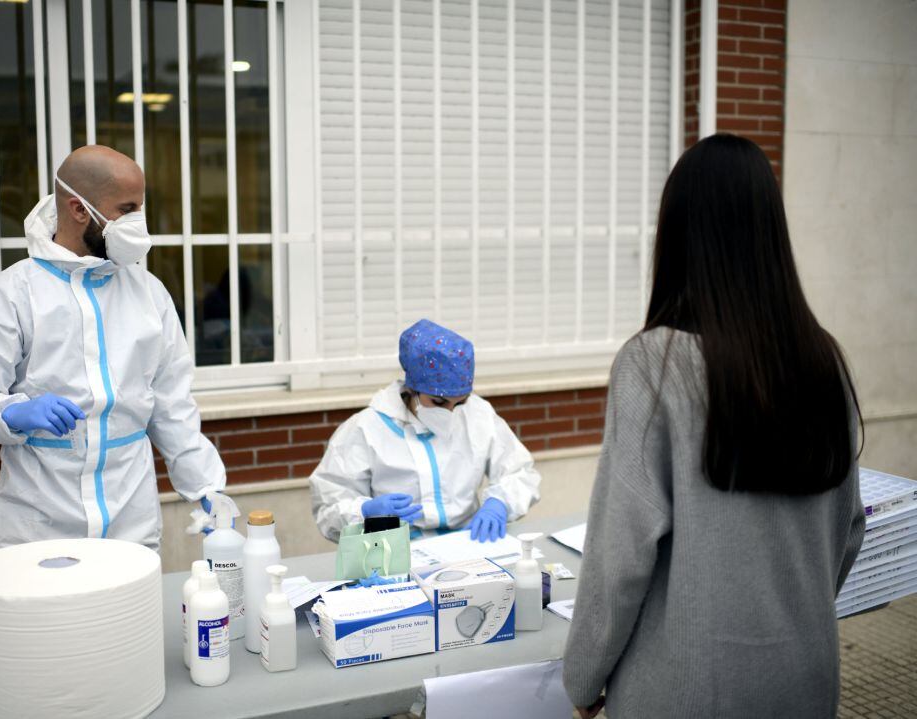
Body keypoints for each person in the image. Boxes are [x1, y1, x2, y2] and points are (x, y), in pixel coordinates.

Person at [562, 134, 866, 718]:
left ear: (678, 236)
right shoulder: (822, 359)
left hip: (684, 690)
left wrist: (581, 680)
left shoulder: (654, 364)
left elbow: (618, 559)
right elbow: (848, 528)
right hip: (804, 681)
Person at [0, 145, 226, 550]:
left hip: (132, 518)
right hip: (39, 523)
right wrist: (13, 411)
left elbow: (171, 404)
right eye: (126, 209)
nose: (138, 223)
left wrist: (206, 488)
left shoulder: (148, 294)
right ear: (79, 209)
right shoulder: (12, 294)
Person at [309, 319, 541, 543]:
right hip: (393, 553)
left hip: (468, 543)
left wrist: (500, 502)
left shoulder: (477, 414)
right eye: (439, 403)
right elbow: (329, 507)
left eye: (459, 402)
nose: (451, 412)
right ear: (413, 388)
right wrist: (365, 512)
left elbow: (520, 472)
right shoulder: (366, 428)